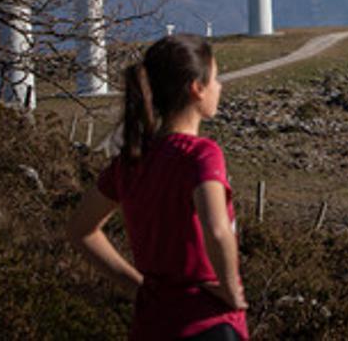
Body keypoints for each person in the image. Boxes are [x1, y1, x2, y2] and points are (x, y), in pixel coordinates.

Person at [67, 34, 249, 341]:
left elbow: (81, 230)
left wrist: (137, 286)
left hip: (151, 323)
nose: (220, 87)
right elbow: (217, 230)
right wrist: (232, 291)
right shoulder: (201, 154)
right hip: (208, 324)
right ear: (196, 88)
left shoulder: (129, 162)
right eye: (215, 79)